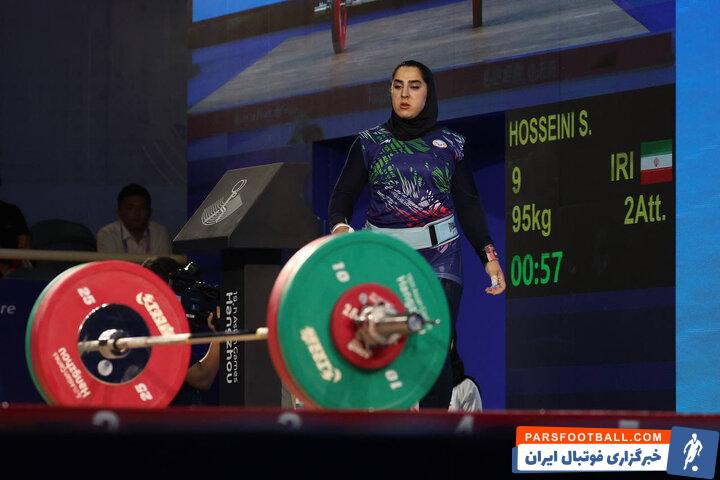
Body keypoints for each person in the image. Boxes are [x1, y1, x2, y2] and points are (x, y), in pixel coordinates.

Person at [328, 59, 506, 409]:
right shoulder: (369, 143)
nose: (404, 94)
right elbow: (343, 195)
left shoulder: (452, 144)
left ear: (429, 92)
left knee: (434, 347)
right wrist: (339, 225)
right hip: (381, 259)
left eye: (414, 86)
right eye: (397, 86)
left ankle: (432, 431)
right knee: (379, 344)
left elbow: (468, 204)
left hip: (440, 258)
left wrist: (489, 256)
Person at [141, 256, 220, 405]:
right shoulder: (159, 329)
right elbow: (202, 378)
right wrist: (220, 334)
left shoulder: (141, 320)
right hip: (169, 416)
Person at [97, 183, 171, 255]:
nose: (137, 213)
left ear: (150, 212)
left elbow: (163, 263)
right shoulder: (107, 234)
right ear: (119, 212)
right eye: (130, 208)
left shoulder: (160, 233)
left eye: (142, 208)